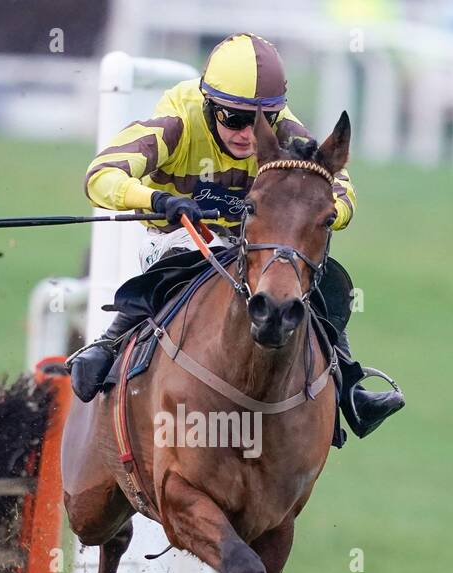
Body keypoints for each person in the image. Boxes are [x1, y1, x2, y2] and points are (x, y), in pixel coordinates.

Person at [68, 32, 403, 440]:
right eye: (234, 119)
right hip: (180, 238)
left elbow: (341, 190)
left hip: (252, 247)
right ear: (209, 106)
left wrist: (327, 215)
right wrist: (159, 200)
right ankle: (107, 343)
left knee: (321, 276)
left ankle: (350, 388)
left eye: (262, 120)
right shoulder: (176, 122)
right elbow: (100, 175)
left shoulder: (287, 134)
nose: (248, 134)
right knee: (193, 252)